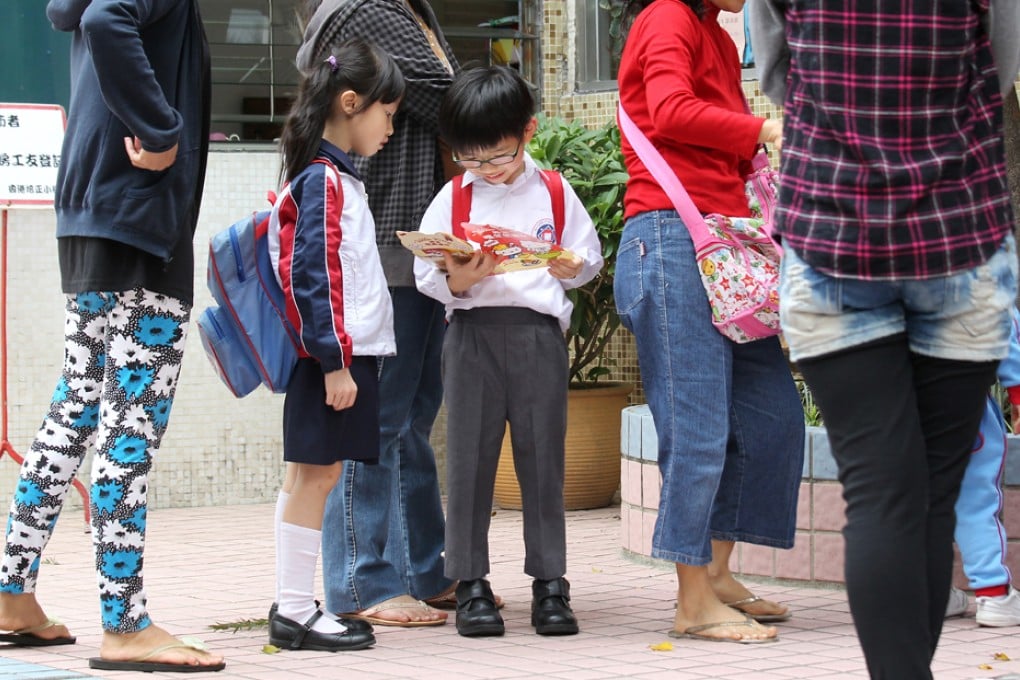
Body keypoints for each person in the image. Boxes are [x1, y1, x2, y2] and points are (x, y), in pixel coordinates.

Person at [750, 0, 1020, 676]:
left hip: (833, 226)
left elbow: (777, 70)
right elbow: (1000, 61)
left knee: (881, 493)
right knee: (932, 488)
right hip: (959, 226)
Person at [0, 0, 222, 673]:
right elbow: (104, 20)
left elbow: (86, 15)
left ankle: (12, 593)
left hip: (93, 212)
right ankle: (124, 623)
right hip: (141, 219)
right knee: (127, 432)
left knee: (74, 415)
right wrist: (160, 131)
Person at [613, 0, 805, 644]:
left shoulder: (718, 36)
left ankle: (718, 574)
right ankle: (691, 599)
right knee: (695, 426)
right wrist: (766, 130)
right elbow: (669, 111)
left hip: (726, 244)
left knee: (772, 414)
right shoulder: (666, 15)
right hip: (669, 238)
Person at [414, 65, 603, 638]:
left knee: (543, 460)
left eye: (498, 156)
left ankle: (551, 583)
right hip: (470, 334)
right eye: (472, 159)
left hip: (536, 335)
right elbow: (429, 274)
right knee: (469, 460)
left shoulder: (553, 190)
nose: (488, 170)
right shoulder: (454, 196)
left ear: (528, 131)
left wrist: (574, 266)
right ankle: (469, 582)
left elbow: (585, 259)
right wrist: (459, 281)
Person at [294, 0, 459, 627]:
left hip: (410, 253)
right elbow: (454, 102)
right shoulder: (373, 10)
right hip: (390, 255)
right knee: (381, 424)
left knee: (410, 420)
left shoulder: (400, 11)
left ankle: (425, 569)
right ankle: (363, 581)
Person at [266, 37, 403, 653]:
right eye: (388, 114)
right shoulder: (325, 181)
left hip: (330, 357)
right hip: (332, 361)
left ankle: (294, 606)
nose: (391, 128)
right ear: (352, 103)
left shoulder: (326, 177)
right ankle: (295, 612)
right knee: (316, 477)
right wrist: (335, 363)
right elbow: (313, 272)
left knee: (308, 476)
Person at [945, 307, 1020, 627]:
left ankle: (931, 593)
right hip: (961, 406)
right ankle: (994, 594)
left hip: (896, 411)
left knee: (913, 505)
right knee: (973, 502)